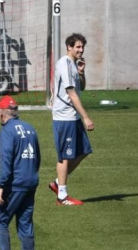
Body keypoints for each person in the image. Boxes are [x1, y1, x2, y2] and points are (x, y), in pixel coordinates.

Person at [49, 33, 94, 206]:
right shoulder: (64, 63)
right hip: (64, 117)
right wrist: (86, 117)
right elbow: (72, 93)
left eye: (82, 47)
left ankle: (56, 183)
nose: (81, 50)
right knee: (65, 157)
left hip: (72, 116)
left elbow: (80, 86)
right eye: (78, 47)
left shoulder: (73, 65)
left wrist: (81, 73)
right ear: (69, 47)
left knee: (83, 151)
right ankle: (62, 195)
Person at [0, 96, 41, 250]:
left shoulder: (7, 131)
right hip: (31, 182)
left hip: (15, 184)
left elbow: (6, 159)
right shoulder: (30, 128)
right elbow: (38, 158)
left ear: (2, 113)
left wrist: (0, 185)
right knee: (25, 223)